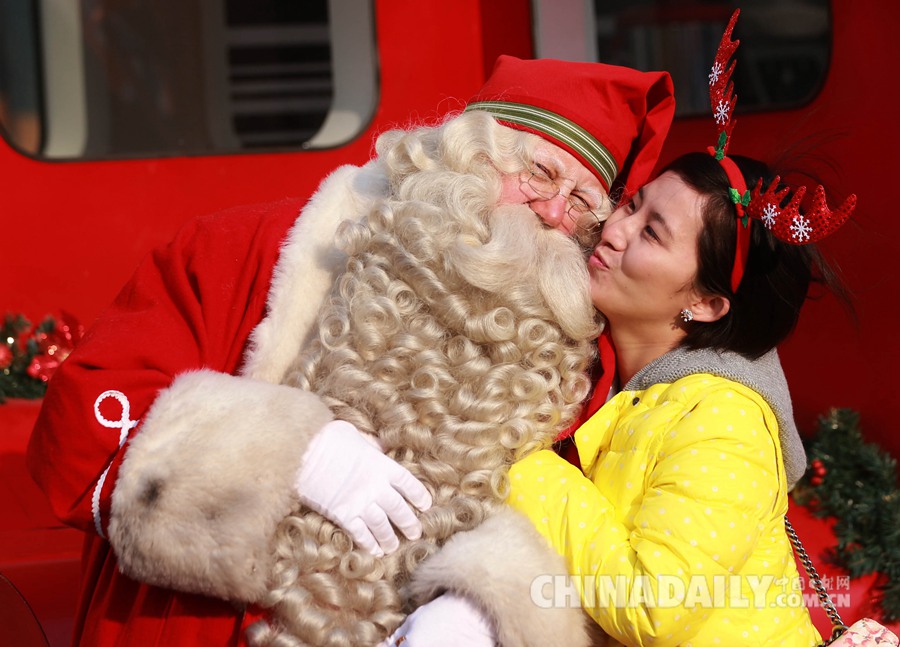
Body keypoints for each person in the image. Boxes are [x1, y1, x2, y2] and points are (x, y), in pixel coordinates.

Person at [27, 56, 675, 646]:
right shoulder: (250, 247)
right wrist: (286, 453)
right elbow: (79, 419)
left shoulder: (574, 370)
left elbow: (588, 550)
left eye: (581, 204)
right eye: (539, 173)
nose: (551, 212)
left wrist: (484, 607)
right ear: (469, 155)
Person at [393, 12, 856, 647]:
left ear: (706, 304)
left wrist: (514, 455)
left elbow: (655, 606)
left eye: (652, 234)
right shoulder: (620, 381)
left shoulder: (724, 419)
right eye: (633, 204)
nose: (614, 230)